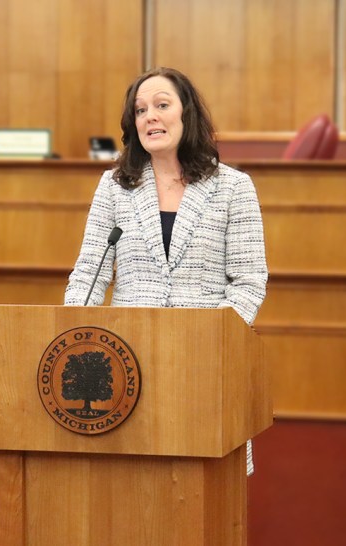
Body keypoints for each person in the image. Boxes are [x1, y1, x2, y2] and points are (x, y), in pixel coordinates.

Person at [64, 67, 268, 474]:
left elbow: (248, 281)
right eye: (140, 110)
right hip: (127, 364)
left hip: (205, 364)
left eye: (161, 105)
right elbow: (89, 271)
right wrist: (71, 332)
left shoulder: (233, 187)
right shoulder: (114, 186)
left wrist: (211, 341)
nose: (150, 117)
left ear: (186, 114)